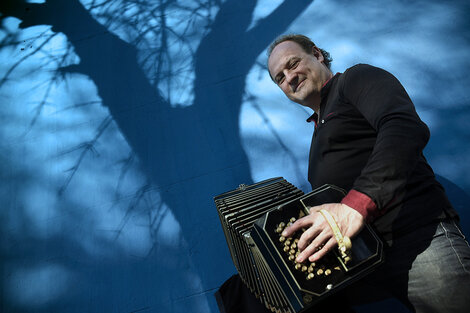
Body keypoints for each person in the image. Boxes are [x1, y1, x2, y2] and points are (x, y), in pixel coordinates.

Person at [266, 34, 470, 313]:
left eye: (293, 63)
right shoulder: (318, 130)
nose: (289, 77)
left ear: (317, 54)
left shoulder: (355, 79)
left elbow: (403, 127)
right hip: (367, 261)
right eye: (280, 77)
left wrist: (356, 206)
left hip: (418, 240)